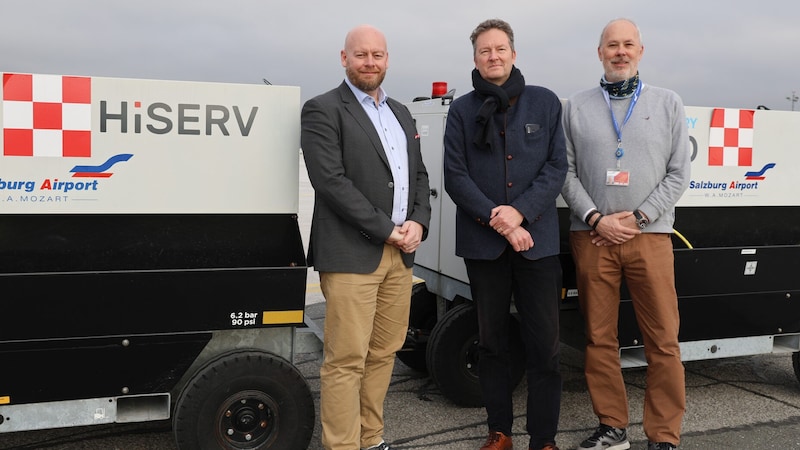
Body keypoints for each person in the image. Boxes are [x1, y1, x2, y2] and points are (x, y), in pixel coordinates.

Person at [560, 18, 690, 450]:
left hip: (649, 237)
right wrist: (597, 219)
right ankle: (613, 427)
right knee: (599, 338)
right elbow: (565, 172)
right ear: (599, 52)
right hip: (593, 237)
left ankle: (664, 435)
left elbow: (678, 174)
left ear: (640, 50)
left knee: (663, 340)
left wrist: (637, 218)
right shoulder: (574, 106)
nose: (620, 51)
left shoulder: (668, 103)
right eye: (611, 45)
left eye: (627, 44)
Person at [300, 24, 431, 450]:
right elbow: (331, 182)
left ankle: (371, 439)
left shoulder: (402, 113)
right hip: (353, 254)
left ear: (387, 60)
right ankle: (342, 446)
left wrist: (419, 223)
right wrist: (387, 230)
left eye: (377, 55)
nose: (370, 62)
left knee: (382, 355)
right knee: (345, 361)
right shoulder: (322, 109)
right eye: (361, 55)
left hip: (399, 257)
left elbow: (419, 176)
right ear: (344, 58)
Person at [443, 18, 567, 450]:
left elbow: (556, 169)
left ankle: (544, 439)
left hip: (538, 244)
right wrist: (499, 220)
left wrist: (519, 214)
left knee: (545, 347)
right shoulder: (460, 111)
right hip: (484, 247)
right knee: (492, 343)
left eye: (499, 49)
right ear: (474, 58)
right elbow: (456, 177)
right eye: (484, 51)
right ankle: (500, 433)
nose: (492, 57)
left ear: (513, 53)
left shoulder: (545, 103)